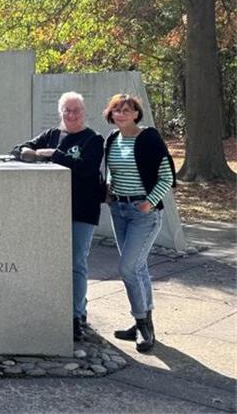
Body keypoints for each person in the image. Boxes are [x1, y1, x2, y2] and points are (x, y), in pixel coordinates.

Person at [12, 91, 104, 342]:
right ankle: (51, 311)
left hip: (81, 210)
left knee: (77, 264)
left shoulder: (93, 139)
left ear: (84, 112)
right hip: (49, 211)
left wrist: (52, 154)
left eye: (76, 110)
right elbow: (18, 149)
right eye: (67, 110)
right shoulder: (51, 135)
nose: (71, 115)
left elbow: (85, 169)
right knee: (48, 262)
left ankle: (76, 316)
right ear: (60, 113)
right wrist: (30, 152)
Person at [103, 93, 175, 353]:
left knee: (128, 269)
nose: (120, 114)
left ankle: (143, 326)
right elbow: (113, 168)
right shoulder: (113, 138)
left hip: (143, 213)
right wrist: (110, 188)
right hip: (119, 210)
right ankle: (144, 322)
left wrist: (150, 201)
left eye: (126, 110)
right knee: (139, 267)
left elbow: (167, 175)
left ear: (136, 114)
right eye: (116, 110)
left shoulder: (149, 138)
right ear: (111, 114)